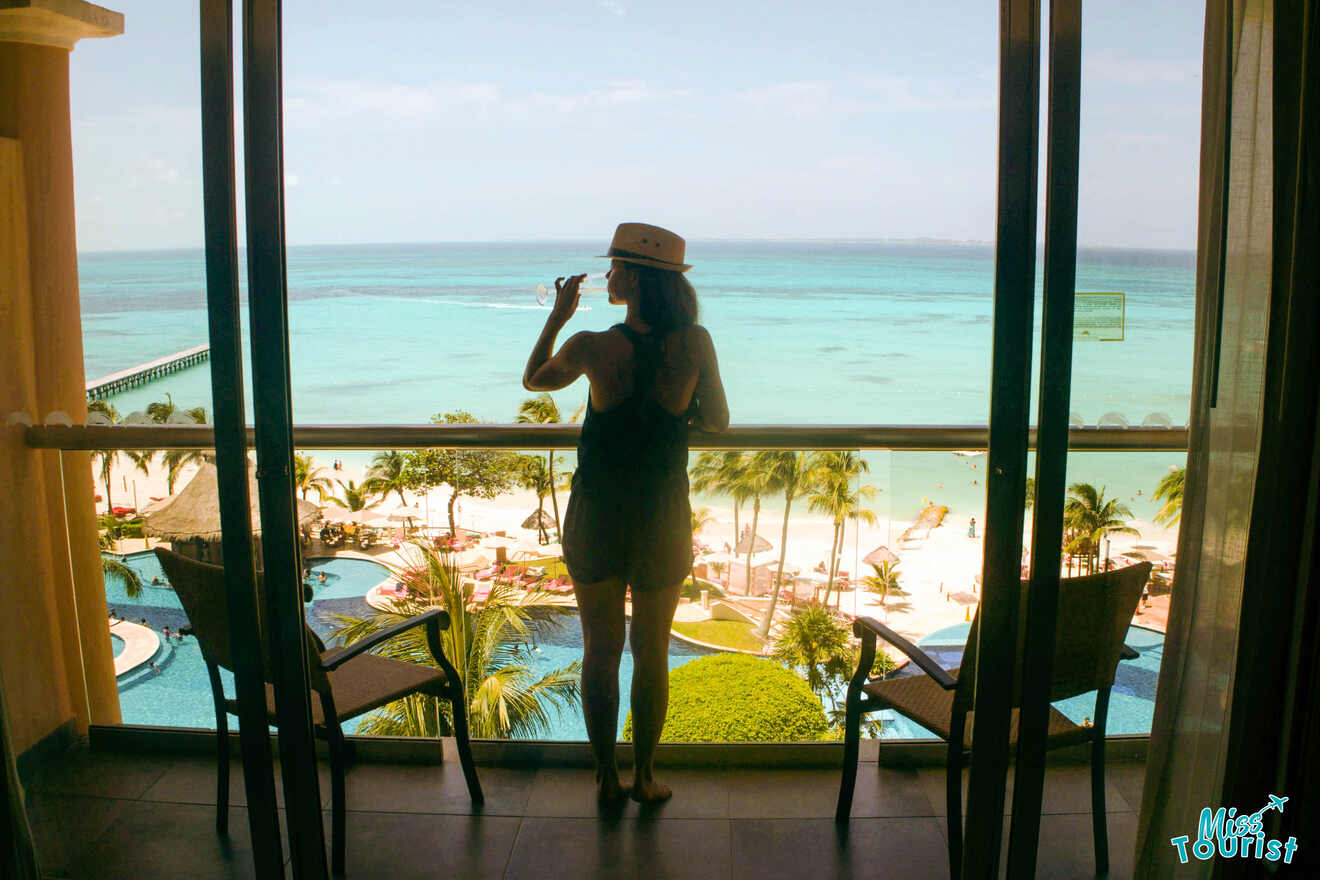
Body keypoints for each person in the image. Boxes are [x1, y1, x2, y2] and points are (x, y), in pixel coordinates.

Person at [522, 222, 728, 805]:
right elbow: (718, 421)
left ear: (633, 277)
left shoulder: (593, 345)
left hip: (597, 514)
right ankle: (645, 777)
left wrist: (559, 316)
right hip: (662, 513)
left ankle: (606, 779)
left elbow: (534, 381)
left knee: (600, 650)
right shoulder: (695, 343)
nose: (609, 276)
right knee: (653, 651)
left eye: (613, 268)